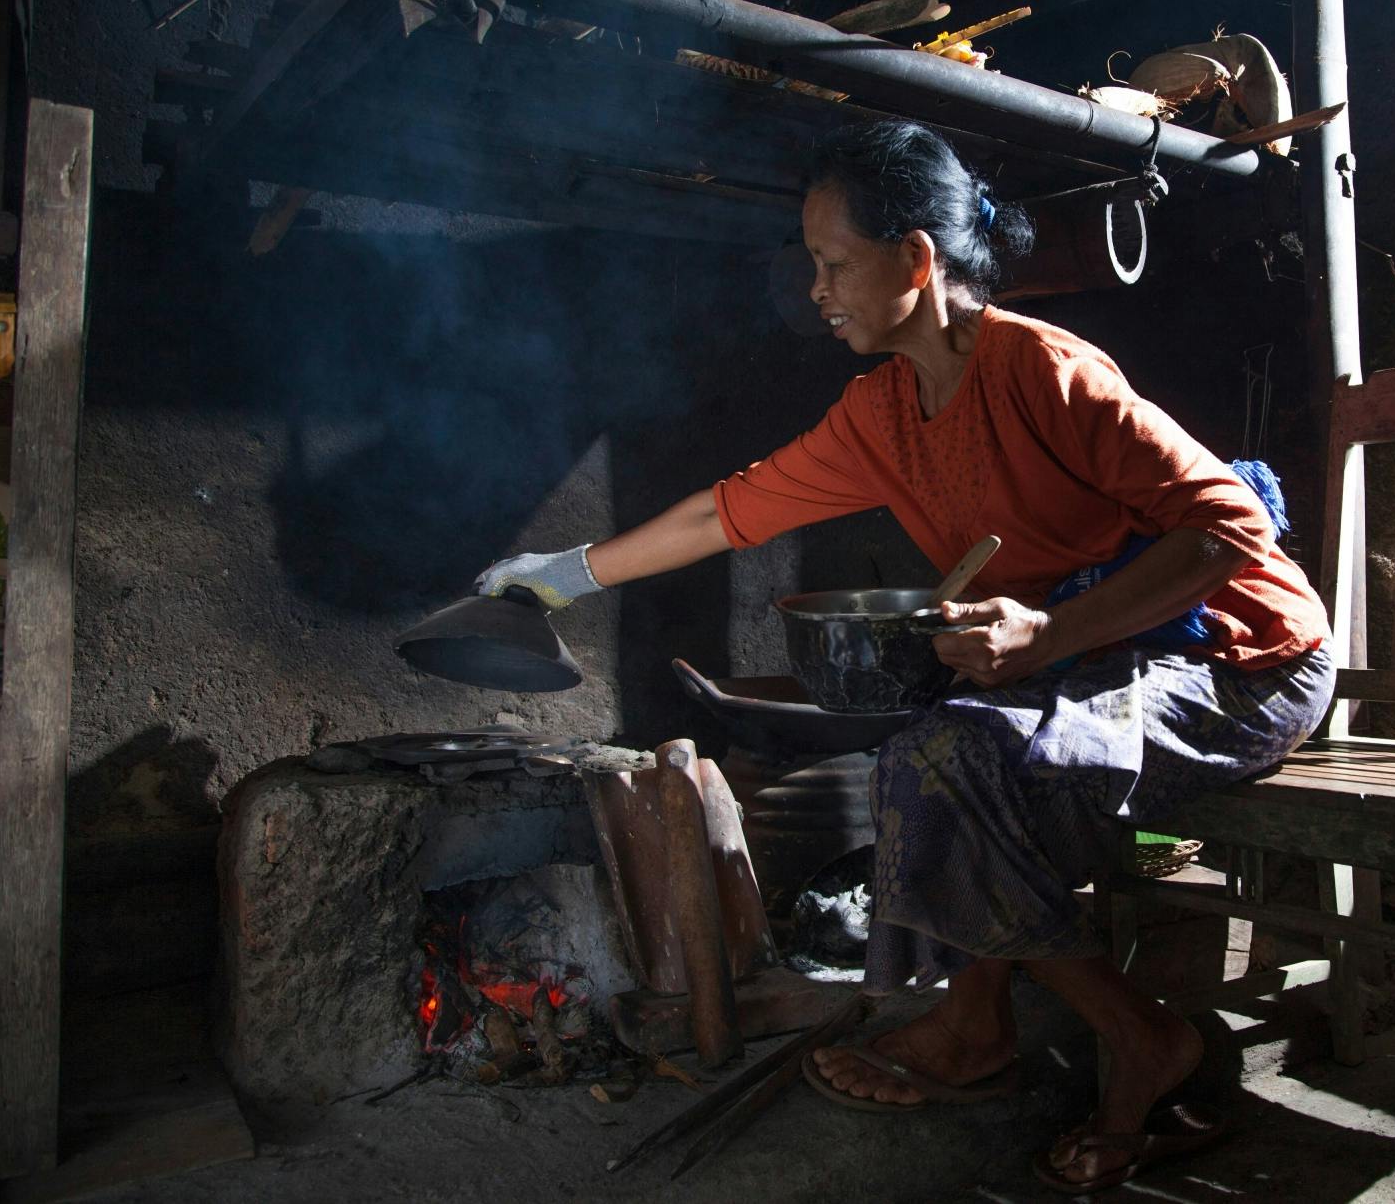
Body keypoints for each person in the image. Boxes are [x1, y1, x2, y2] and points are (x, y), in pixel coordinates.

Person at [478, 120, 1334, 1194]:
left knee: (953, 760)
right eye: (813, 266)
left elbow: (1229, 531)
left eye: (835, 264)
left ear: (916, 261)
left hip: (1241, 661)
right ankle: (979, 1024)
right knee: (940, 748)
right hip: (1103, 662)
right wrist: (566, 573)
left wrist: (1051, 633)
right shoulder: (878, 411)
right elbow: (724, 513)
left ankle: (1124, 1035)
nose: (815, 291)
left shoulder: (1047, 372)